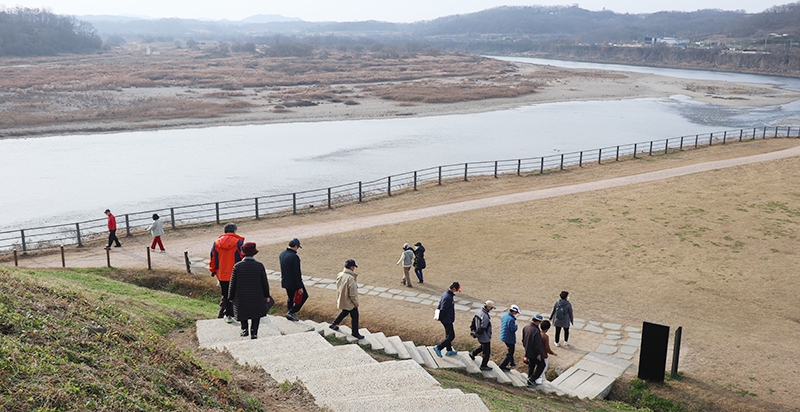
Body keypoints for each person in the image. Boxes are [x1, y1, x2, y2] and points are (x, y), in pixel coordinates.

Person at [228, 242, 272, 340]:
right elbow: (265, 282)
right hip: (257, 295)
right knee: (256, 314)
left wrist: (230, 297)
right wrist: (267, 295)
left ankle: (244, 329)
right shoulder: (259, 266)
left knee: (243, 312)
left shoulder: (237, 266)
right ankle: (254, 333)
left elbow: (233, 283)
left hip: (241, 295)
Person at [209, 223, 244, 323]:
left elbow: (213, 257)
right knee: (237, 294)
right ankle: (238, 313)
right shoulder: (238, 242)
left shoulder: (216, 243)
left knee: (225, 294)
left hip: (222, 274)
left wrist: (213, 270)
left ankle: (228, 314)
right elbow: (242, 257)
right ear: (234, 231)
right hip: (235, 274)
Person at [329, 259, 365, 339]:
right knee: (355, 316)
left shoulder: (340, 274)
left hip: (342, 298)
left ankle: (334, 324)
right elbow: (352, 293)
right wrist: (355, 303)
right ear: (351, 267)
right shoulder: (350, 278)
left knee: (345, 311)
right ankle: (355, 333)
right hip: (349, 300)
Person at [280, 238, 307, 322]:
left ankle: (289, 313)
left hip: (285, 280)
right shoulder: (294, 257)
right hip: (294, 282)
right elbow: (297, 273)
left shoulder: (282, 254)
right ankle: (292, 312)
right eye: (298, 247)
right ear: (295, 246)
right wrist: (300, 286)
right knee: (304, 296)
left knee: (290, 298)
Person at [433, 281, 460, 358]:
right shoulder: (448, 297)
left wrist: (437, 315)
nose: (457, 292)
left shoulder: (446, 294)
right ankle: (438, 348)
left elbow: (440, 304)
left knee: (448, 335)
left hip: (446, 318)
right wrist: (439, 317)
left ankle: (449, 350)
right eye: (457, 290)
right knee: (451, 336)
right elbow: (443, 308)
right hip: (446, 319)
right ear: (454, 289)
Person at [469, 300, 495, 371]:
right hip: (484, 336)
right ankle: (484, 365)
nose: (492, 309)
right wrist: (477, 334)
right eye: (491, 308)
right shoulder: (485, 316)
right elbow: (483, 328)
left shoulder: (478, 312)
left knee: (483, 346)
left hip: (480, 335)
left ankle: (473, 353)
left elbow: (473, 322)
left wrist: (473, 330)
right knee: (487, 352)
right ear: (488, 308)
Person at [522, 314, 546, 387]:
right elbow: (537, 344)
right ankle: (532, 379)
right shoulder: (536, 330)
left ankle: (529, 378)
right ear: (538, 321)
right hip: (534, 352)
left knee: (531, 365)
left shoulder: (526, 327)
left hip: (528, 350)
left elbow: (523, 340)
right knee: (542, 365)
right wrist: (539, 354)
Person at [498, 304, 520, 371]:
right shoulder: (511, 319)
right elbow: (512, 329)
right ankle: (502, 365)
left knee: (510, 350)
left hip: (504, 335)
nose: (516, 314)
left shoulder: (505, 316)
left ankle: (512, 363)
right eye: (516, 312)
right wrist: (516, 326)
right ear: (513, 311)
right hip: (509, 338)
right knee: (511, 352)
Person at [539, 319, 558, 384]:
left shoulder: (537, 333)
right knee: (544, 367)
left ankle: (543, 378)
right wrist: (552, 353)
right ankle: (541, 378)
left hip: (537, 353)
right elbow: (547, 347)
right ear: (547, 328)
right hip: (544, 354)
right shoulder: (545, 337)